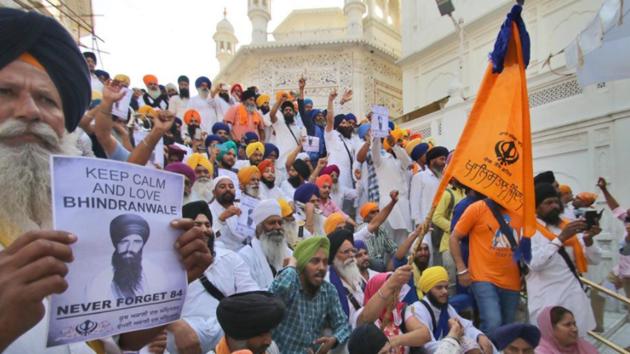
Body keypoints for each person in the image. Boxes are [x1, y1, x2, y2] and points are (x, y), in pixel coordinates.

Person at [0, 8, 212, 353]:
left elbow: (116, 340)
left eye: (46, 99)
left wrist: (170, 283)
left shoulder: (75, 220)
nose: (29, 111)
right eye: (5, 92)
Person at [164, 201, 260, 354]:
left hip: (226, 336)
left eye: (208, 225)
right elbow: (151, 308)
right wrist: (176, 326)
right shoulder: (165, 264)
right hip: (181, 339)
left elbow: (251, 296)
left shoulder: (230, 258)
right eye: (197, 225)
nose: (204, 230)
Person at [526, 183, 601, 335]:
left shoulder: (568, 225)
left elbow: (594, 260)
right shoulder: (527, 230)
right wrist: (560, 239)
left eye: (556, 202)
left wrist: (588, 240)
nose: (554, 206)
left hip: (574, 295)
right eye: (548, 203)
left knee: (578, 341)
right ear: (537, 206)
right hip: (546, 298)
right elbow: (535, 263)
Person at [450, 197, 523, 334]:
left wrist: (524, 273)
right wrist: (461, 269)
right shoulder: (477, 208)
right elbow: (454, 237)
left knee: (507, 328)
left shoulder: (520, 210)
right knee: (492, 322)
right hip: (482, 277)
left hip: (512, 281)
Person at [270, 236, 351, 354]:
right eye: (315, 261)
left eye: (325, 262)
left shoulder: (328, 290)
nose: (322, 267)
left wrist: (333, 340)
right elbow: (276, 293)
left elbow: (344, 325)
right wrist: (291, 265)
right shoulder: (290, 284)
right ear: (301, 264)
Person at [413, 266, 492, 354]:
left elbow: (466, 326)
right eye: (439, 288)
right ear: (427, 290)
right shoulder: (418, 310)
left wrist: (479, 336)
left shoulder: (445, 307)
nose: (445, 291)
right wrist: (456, 341)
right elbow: (427, 346)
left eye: (446, 287)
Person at [356, 269, 432, 353]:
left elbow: (425, 334)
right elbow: (365, 320)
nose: (395, 295)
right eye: (391, 291)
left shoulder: (400, 310)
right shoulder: (363, 315)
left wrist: (397, 340)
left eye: (397, 290)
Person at [238, 199, 292, 289]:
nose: (278, 227)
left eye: (280, 222)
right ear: (259, 228)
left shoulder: (288, 252)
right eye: (272, 223)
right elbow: (249, 291)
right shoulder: (245, 256)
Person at [215, 291, 285, 354]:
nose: (268, 341)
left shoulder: (271, 349)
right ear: (236, 337)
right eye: (260, 334)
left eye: (269, 331)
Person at [326, 229, 365, 325]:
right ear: (333, 255)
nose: (352, 255)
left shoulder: (356, 275)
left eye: (353, 250)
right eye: (346, 252)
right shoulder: (328, 284)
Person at [431, 178, 466, 282]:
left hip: (464, 244)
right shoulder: (447, 193)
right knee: (451, 283)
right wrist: (455, 228)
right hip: (448, 245)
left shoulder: (466, 193)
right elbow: (436, 217)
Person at [355, 191, 400, 271]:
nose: (377, 214)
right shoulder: (363, 229)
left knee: (401, 259)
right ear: (365, 218)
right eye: (372, 212)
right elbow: (370, 257)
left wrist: (396, 259)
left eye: (378, 211)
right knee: (379, 264)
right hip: (367, 264)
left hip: (380, 264)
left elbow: (393, 249)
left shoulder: (381, 229)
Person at [410, 146, 449, 230]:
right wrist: (418, 222)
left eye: (445, 160)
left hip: (440, 223)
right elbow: (414, 201)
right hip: (424, 224)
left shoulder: (443, 179)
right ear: (432, 161)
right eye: (441, 159)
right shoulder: (419, 177)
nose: (444, 163)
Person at [269, 93, 307, 178]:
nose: (288, 111)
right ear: (282, 113)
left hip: (294, 165)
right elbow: (272, 114)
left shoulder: (298, 129)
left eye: (290, 110)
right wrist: (280, 101)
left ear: (293, 113)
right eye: (286, 110)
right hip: (280, 164)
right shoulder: (279, 124)